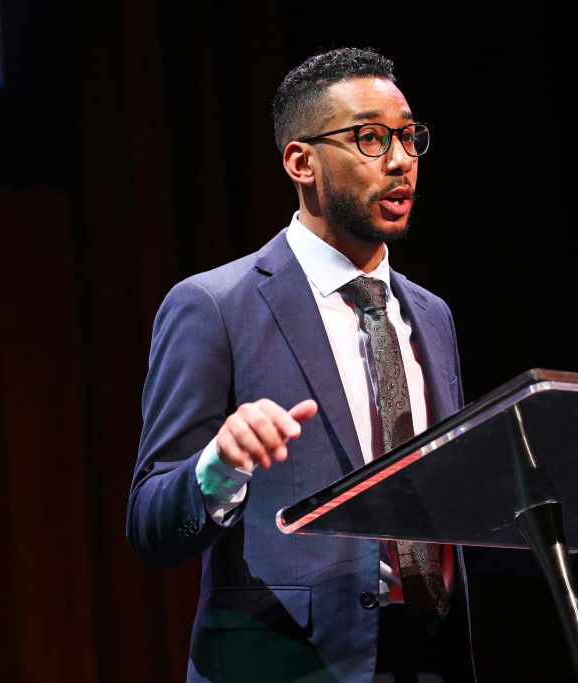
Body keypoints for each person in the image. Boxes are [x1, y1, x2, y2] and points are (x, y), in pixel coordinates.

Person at [128, 47, 474, 682]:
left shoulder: (432, 315)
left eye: (407, 137)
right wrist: (218, 468)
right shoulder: (215, 306)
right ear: (301, 161)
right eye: (370, 138)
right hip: (286, 663)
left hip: (432, 657)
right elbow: (151, 523)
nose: (400, 161)